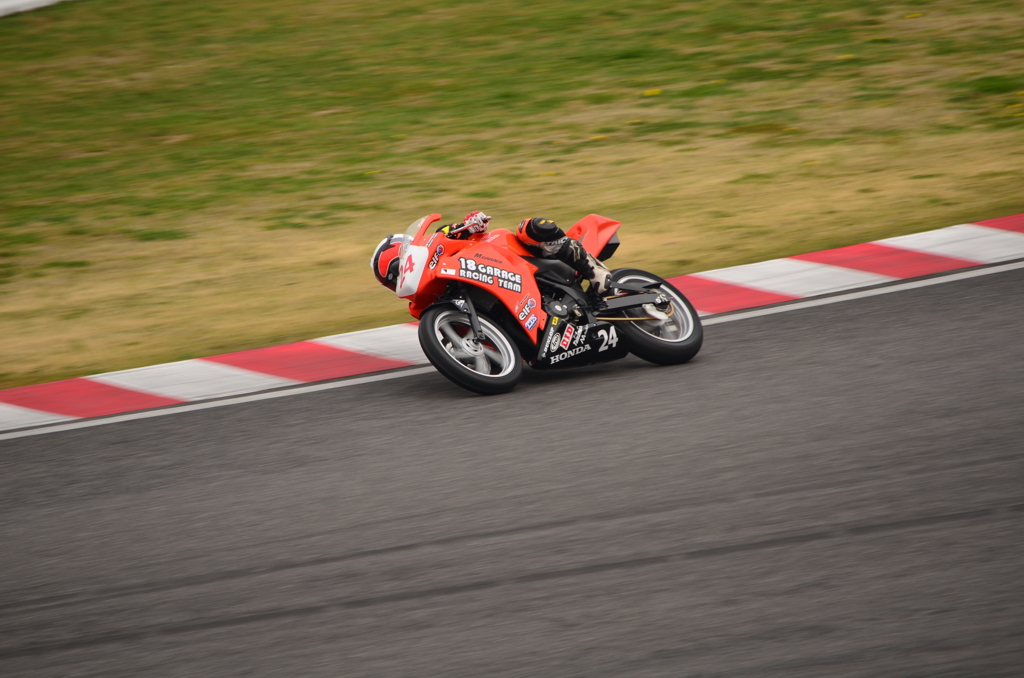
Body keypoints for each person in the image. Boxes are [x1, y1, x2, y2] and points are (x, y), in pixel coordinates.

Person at [438, 211, 611, 294]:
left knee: (529, 227)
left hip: (520, 258)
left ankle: (596, 271)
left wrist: (471, 224)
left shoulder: (450, 238)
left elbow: (451, 230)